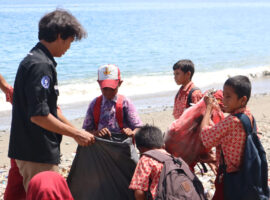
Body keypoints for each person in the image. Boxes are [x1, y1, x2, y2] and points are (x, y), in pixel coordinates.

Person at [8, 9, 95, 192]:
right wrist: (76, 135)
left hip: (28, 150)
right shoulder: (41, 66)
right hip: (36, 153)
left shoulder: (36, 59)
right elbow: (39, 116)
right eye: (69, 41)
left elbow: (50, 109)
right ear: (59, 36)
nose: (68, 48)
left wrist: (76, 131)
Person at [200, 75, 254, 200]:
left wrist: (208, 108)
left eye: (228, 97)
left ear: (242, 100)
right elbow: (225, 131)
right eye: (223, 95)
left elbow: (205, 137)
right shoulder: (247, 114)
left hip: (230, 176)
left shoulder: (232, 121)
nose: (223, 100)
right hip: (245, 171)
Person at [83, 64, 142, 139]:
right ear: (99, 84)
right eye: (105, 89)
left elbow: (139, 128)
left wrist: (131, 132)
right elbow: (87, 131)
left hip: (122, 147)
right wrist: (96, 133)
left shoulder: (125, 103)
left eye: (112, 89)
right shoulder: (94, 104)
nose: (108, 92)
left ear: (120, 83)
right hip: (101, 147)